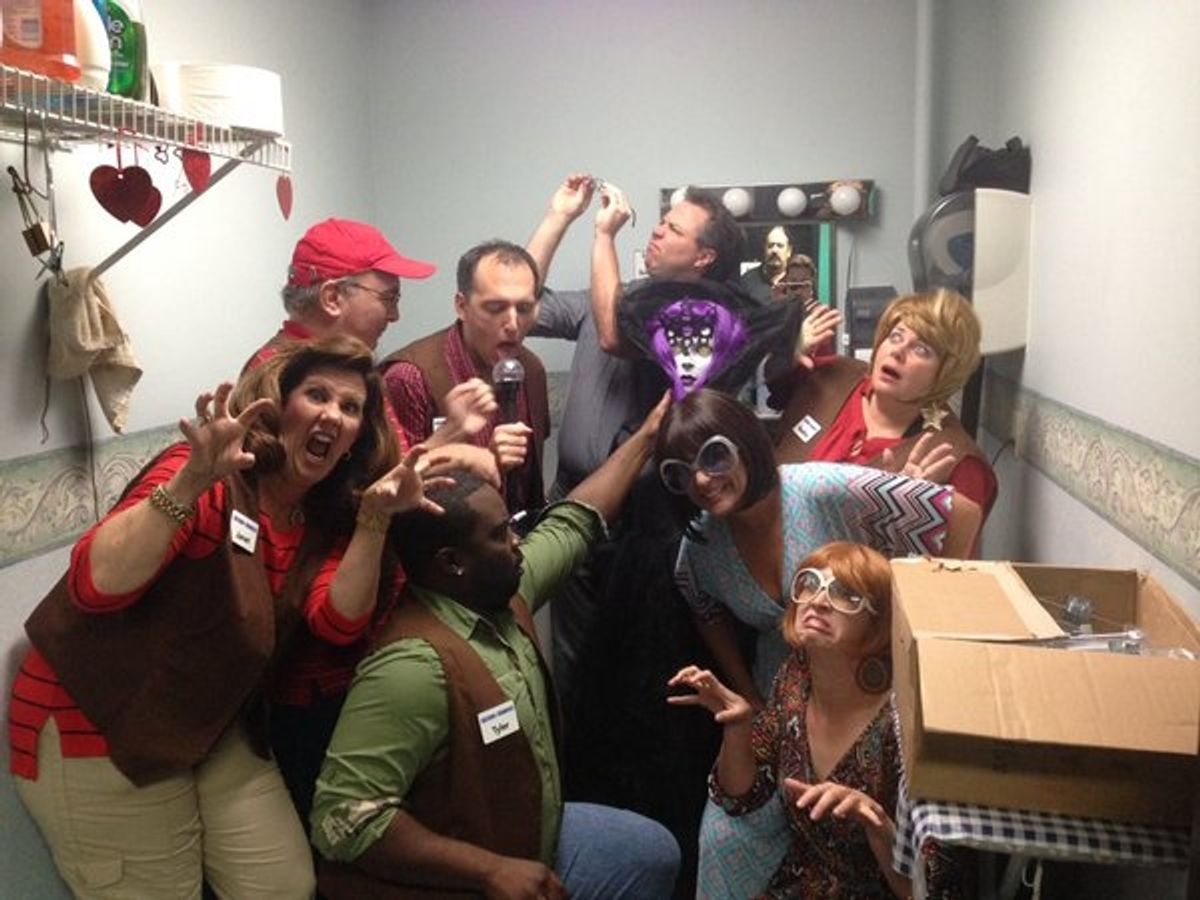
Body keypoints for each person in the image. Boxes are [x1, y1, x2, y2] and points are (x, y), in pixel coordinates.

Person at [9, 336, 448, 899]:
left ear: (356, 439)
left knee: (283, 886)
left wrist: (375, 519)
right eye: (316, 395)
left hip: (204, 722)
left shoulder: (321, 516)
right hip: (95, 724)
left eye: (350, 407)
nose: (332, 415)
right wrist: (192, 481)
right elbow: (96, 587)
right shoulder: (206, 473)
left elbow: (338, 624)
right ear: (277, 405)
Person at [310, 395, 681, 900]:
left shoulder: (503, 593)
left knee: (651, 851)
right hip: (467, 875)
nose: (517, 542)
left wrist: (648, 435)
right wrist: (489, 871)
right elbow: (342, 817)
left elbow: (575, 521)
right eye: (501, 534)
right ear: (453, 562)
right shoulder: (412, 667)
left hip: (526, 835)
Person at [660, 388, 980, 706]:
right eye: (681, 472)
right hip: (781, 707)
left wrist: (920, 639)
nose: (700, 480)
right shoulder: (703, 544)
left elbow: (963, 514)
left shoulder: (822, 489)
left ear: (745, 445)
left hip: (870, 698)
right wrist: (747, 694)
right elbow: (706, 613)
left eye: (714, 457)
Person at [668, 541, 915, 899]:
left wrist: (879, 827)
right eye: (809, 583)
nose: (818, 600)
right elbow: (742, 797)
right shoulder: (795, 678)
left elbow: (926, 889)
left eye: (845, 594)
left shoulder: (902, 718)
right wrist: (738, 727)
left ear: (877, 624)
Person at [772, 288, 997, 528]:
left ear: (946, 373)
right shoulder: (830, 377)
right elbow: (774, 393)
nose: (898, 351)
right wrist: (787, 352)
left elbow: (955, 551)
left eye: (921, 349)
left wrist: (904, 520)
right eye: (896, 336)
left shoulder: (960, 463)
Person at [380, 240, 549, 515]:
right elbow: (389, 493)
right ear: (462, 306)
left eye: (524, 308)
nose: (512, 324)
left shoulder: (531, 370)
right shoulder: (409, 377)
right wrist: (481, 461)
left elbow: (531, 483)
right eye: (495, 308)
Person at [248, 217, 436, 367]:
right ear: (332, 298)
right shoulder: (282, 379)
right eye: (388, 298)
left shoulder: (333, 363)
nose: (395, 316)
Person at [738, 225, 799, 306]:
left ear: (789, 251)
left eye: (780, 246)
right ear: (764, 249)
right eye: (770, 246)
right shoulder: (747, 281)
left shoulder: (798, 280)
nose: (774, 250)